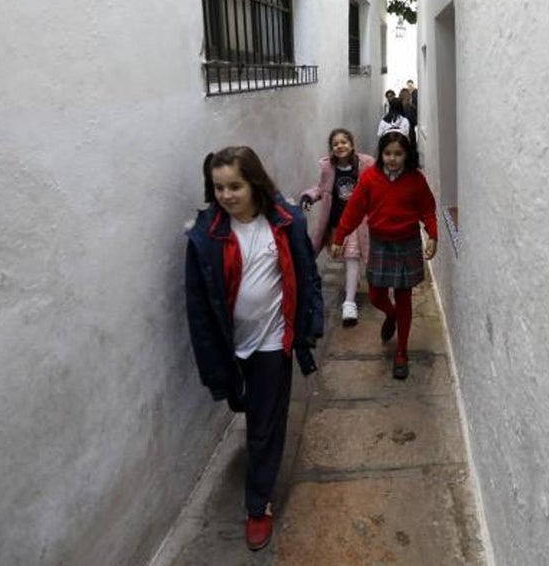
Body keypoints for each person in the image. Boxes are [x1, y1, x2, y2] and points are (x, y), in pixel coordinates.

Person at [184, 146, 323, 551]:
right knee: (244, 406)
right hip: (232, 348)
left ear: (255, 183)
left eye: (235, 186)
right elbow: (199, 309)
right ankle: (248, 420)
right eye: (219, 187)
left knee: (265, 426)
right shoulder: (205, 237)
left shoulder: (284, 223)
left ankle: (257, 505)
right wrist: (213, 367)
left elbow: (306, 274)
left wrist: (308, 327)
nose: (226, 195)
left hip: (271, 343)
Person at [332, 130, 437, 380]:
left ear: (407, 155)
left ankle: (401, 352)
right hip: (380, 243)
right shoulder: (370, 178)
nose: (392, 158)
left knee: (404, 298)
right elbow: (354, 209)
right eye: (388, 153)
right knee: (377, 295)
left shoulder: (416, 180)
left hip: (406, 243)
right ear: (382, 154)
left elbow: (428, 209)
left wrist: (433, 235)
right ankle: (390, 315)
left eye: (398, 154)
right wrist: (340, 237)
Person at [299, 128, 373, 327]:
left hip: (357, 223)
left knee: (351, 256)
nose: (340, 146)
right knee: (341, 256)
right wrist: (309, 196)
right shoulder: (329, 169)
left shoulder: (364, 166)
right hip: (336, 223)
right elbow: (321, 190)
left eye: (344, 142)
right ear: (331, 149)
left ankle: (349, 303)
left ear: (352, 144)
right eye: (335, 144)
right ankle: (352, 282)